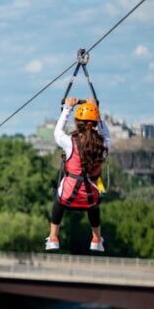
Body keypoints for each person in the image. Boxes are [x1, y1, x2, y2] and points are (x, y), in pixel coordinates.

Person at [46, 97, 111, 252]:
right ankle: (96, 238)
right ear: (95, 123)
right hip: (91, 196)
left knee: (58, 200)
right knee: (94, 206)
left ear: (77, 123)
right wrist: (96, 110)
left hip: (68, 194)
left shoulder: (70, 142)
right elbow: (105, 133)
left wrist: (67, 108)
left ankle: (54, 237)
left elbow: (57, 133)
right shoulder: (104, 144)